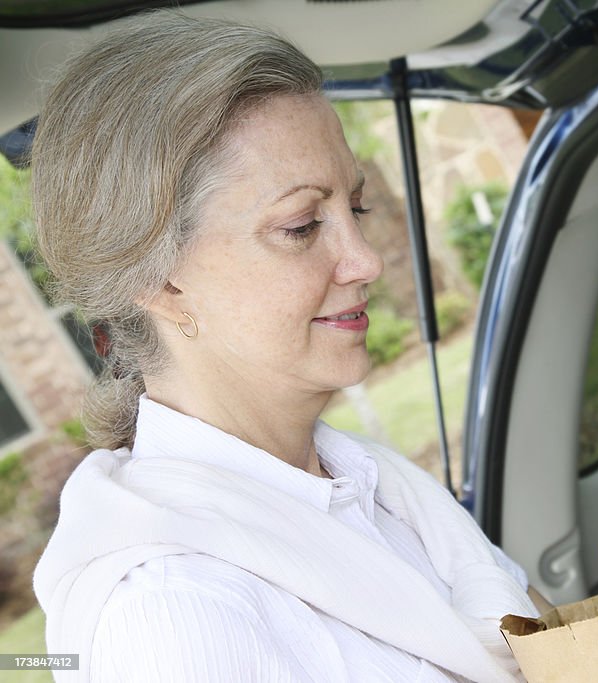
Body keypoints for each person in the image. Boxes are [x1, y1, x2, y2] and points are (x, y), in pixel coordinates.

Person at [31, 11, 541, 682]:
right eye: (301, 226)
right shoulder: (174, 614)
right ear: (161, 280)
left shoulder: (373, 487)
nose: (364, 260)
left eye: (354, 209)